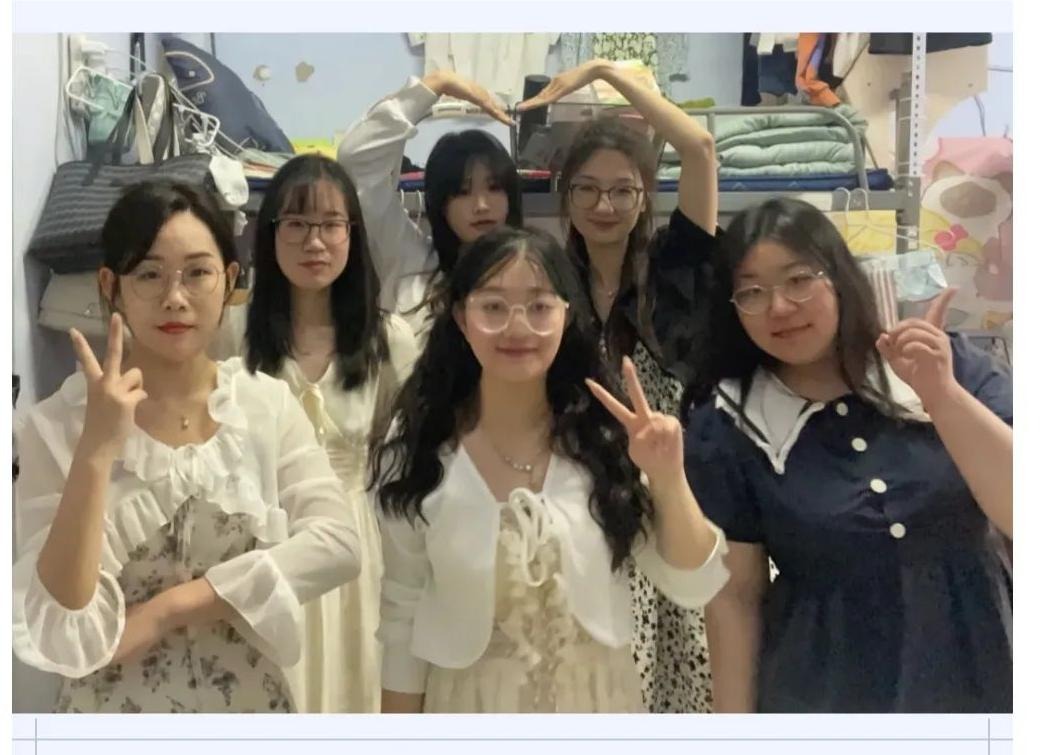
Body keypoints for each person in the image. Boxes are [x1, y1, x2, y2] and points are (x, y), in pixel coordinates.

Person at [12, 181, 361, 713]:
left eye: (197, 273)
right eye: (149, 274)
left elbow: (338, 544)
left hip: (251, 709)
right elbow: (61, 623)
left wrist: (170, 609)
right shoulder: (55, 425)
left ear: (230, 281)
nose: (175, 297)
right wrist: (96, 452)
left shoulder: (263, 405)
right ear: (111, 286)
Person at [370, 226, 729, 713]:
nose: (517, 327)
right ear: (460, 317)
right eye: (493, 306)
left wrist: (668, 478)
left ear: (567, 314)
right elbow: (401, 616)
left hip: (599, 704)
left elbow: (693, 582)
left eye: (539, 306)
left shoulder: (606, 444)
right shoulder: (417, 455)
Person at [683, 197, 1013, 712]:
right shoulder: (730, 423)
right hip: (825, 689)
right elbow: (736, 598)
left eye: (798, 280)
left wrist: (942, 396)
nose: (779, 307)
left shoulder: (942, 363)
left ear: (839, 278)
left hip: (981, 666)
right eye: (751, 292)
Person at [516, 59, 720, 712]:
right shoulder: (548, 281)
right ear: (565, 196)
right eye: (587, 189)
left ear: (643, 196)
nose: (604, 206)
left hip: (670, 499)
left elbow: (699, 146)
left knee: (672, 681)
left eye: (622, 190)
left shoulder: (674, 269)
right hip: (581, 506)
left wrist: (607, 73)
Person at [212, 155, 419, 712]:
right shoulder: (231, 331)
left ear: (353, 233)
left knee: (353, 689)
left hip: (357, 544)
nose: (315, 242)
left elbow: (413, 457)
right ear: (270, 233)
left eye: (331, 224)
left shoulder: (388, 340)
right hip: (260, 540)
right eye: (297, 224)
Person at [338, 70, 521, 340]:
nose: (481, 205)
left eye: (494, 188)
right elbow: (357, 160)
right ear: (440, 203)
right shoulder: (410, 259)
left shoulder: (534, 274)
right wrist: (436, 84)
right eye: (462, 192)